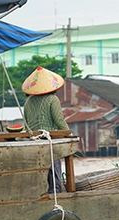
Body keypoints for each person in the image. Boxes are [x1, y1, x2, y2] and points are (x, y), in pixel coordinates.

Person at [22, 66, 70, 194]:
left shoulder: (28, 102)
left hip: (33, 144)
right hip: (49, 142)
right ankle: (56, 196)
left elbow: (26, 125)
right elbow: (59, 121)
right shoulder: (52, 99)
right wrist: (68, 134)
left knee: (38, 174)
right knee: (54, 176)